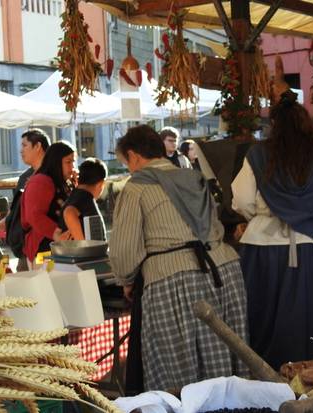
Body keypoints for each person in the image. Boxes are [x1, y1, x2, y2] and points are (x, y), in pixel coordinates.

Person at [110, 124, 248, 393]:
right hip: (224, 272)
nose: (129, 168)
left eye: (127, 162)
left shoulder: (137, 187)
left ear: (134, 155)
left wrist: (126, 279)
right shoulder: (193, 178)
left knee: (179, 371)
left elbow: (124, 250)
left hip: (172, 281)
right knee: (224, 361)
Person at [232, 90, 313, 370]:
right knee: (311, 319)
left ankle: (267, 383)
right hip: (311, 247)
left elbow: (242, 199)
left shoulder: (258, 154)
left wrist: (260, 215)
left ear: (275, 125)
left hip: (265, 248)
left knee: (263, 321)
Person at [0, 129, 50, 262]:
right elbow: (16, 213)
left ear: (38, 146)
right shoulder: (24, 178)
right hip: (26, 251)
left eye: (24, 145)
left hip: (49, 249)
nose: (21, 150)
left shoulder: (54, 175)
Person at [20, 141, 76, 267]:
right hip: (44, 251)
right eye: (68, 162)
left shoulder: (61, 182)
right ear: (56, 162)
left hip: (58, 250)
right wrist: (56, 234)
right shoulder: (41, 181)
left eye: (73, 162)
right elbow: (34, 215)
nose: (72, 167)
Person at [57, 158, 107, 241]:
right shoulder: (85, 196)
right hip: (87, 253)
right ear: (101, 183)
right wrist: (82, 244)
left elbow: (57, 233)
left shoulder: (73, 196)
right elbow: (69, 212)